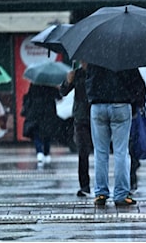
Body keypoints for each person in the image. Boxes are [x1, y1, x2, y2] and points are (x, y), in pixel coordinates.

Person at [86, 63, 146, 206]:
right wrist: (136, 101)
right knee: (121, 152)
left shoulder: (93, 58)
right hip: (121, 105)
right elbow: (138, 85)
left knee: (100, 152)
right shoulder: (126, 59)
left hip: (98, 105)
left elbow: (88, 84)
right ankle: (120, 194)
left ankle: (100, 193)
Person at [60, 61, 93, 197]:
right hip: (80, 118)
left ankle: (103, 187)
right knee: (83, 151)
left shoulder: (97, 71)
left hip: (96, 116)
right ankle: (84, 185)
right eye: (81, 60)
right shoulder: (77, 74)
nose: (83, 62)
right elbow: (63, 92)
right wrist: (68, 81)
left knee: (102, 152)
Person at [21, 83, 62, 166]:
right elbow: (59, 97)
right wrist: (57, 89)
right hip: (48, 113)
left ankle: (39, 152)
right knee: (47, 134)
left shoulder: (34, 84)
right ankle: (46, 153)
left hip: (35, 112)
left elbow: (29, 97)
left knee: (36, 133)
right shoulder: (50, 85)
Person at [128, 72, 146, 194]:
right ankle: (131, 177)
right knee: (128, 149)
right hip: (130, 111)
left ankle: (131, 177)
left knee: (128, 148)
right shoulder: (131, 69)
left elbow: (141, 89)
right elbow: (142, 88)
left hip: (130, 112)